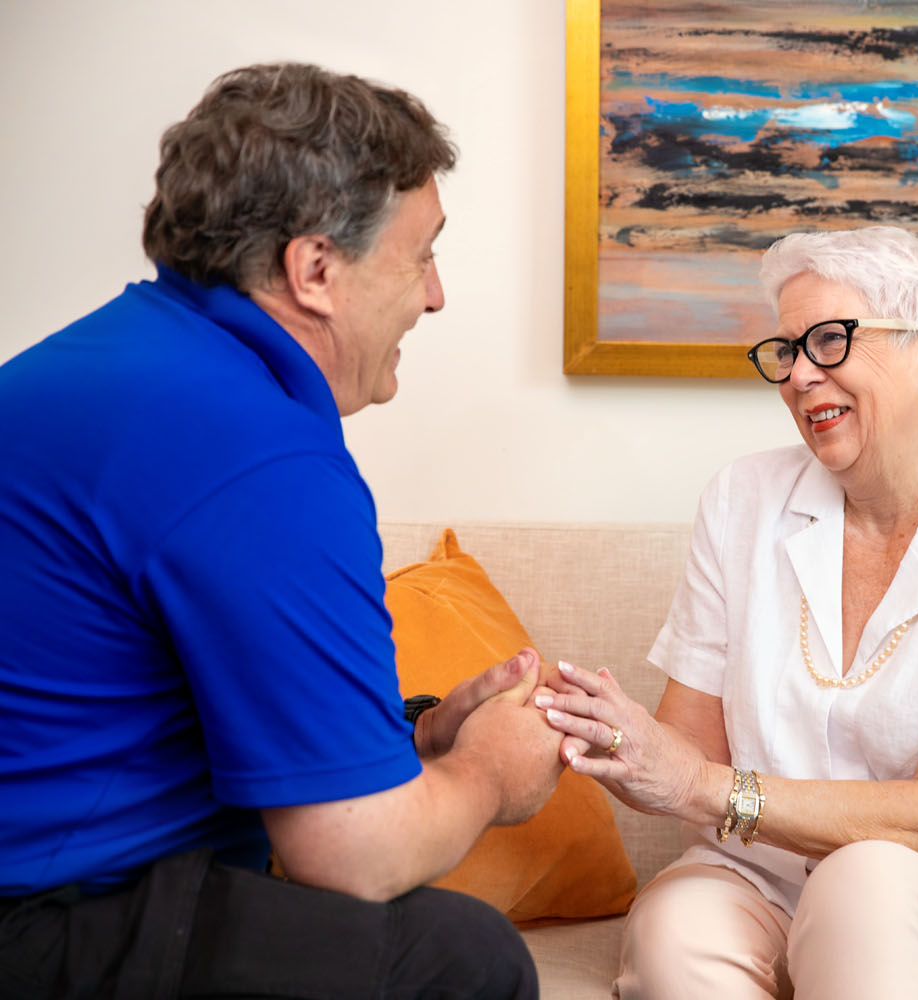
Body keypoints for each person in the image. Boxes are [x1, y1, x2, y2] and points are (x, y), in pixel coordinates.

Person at [0, 63, 560, 999]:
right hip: (40, 919)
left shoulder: (116, 364)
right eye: (420, 255)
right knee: (459, 960)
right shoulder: (257, 455)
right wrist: (492, 775)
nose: (435, 296)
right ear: (316, 270)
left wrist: (419, 744)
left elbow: (177, 719)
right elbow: (350, 855)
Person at [539, 226, 918, 999]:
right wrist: (606, 735)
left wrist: (701, 785)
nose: (799, 375)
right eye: (785, 350)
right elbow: (686, 748)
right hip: (763, 880)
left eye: (830, 341)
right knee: (676, 926)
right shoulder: (742, 500)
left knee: (865, 882)